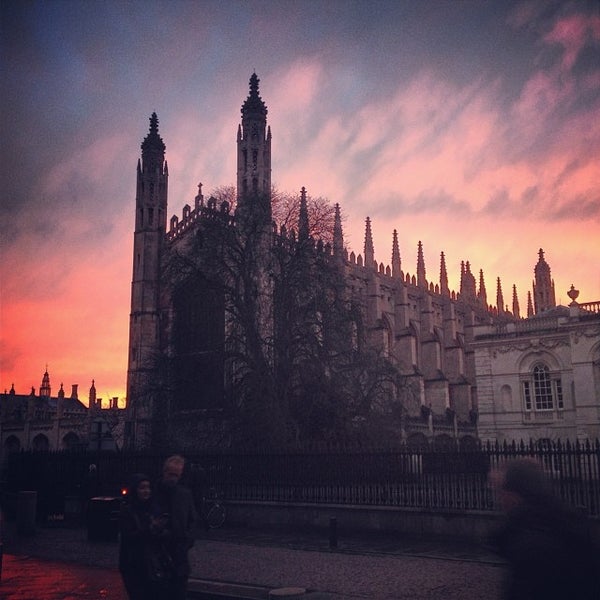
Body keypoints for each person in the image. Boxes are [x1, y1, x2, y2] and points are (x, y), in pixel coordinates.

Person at [490, 458, 600, 600]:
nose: (499, 498)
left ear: (513, 493)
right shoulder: (569, 520)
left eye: (500, 491)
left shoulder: (534, 542)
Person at [119, 473, 173, 600]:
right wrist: (150, 529)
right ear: (135, 490)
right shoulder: (127, 510)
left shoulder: (153, 508)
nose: (146, 491)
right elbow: (129, 536)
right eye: (142, 488)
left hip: (152, 563)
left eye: (148, 487)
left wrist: (162, 531)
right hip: (134, 564)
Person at [152, 455, 197, 600]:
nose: (173, 479)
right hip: (158, 554)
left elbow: (192, 521)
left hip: (179, 554)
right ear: (164, 472)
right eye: (171, 474)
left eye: (176, 475)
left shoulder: (184, 495)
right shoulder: (152, 493)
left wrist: (187, 541)